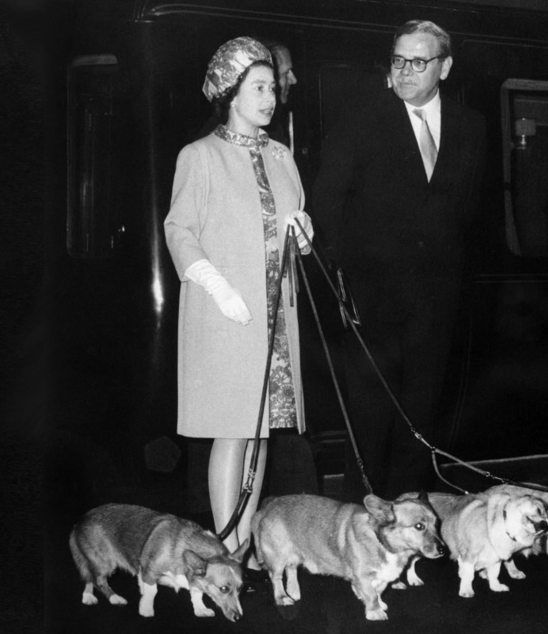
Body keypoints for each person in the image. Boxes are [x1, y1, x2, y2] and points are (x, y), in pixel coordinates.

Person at [312, 20, 487, 502]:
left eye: (418, 61)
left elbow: (467, 216)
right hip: (371, 303)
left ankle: (411, 518)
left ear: (444, 67)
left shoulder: (471, 128)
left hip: (437, 303)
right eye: (397, 60)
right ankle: (359, 527)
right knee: (369, 422)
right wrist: (346, 285)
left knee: (421, 418)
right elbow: (326, 208)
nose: (405, 71)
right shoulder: (361, 120)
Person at [164, 36, 313, 554]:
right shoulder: (199, 156)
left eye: (273, 86)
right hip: (227, 314)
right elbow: (179, 229)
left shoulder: (282, 156)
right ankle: (225, 547)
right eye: (258, 87)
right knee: (232, 430)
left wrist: (303, 237)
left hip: (275, 319)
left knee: (262, 431)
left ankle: (244, 543)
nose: (270, 97)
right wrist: (214, 283)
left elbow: (292, 234)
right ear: (230, 92)